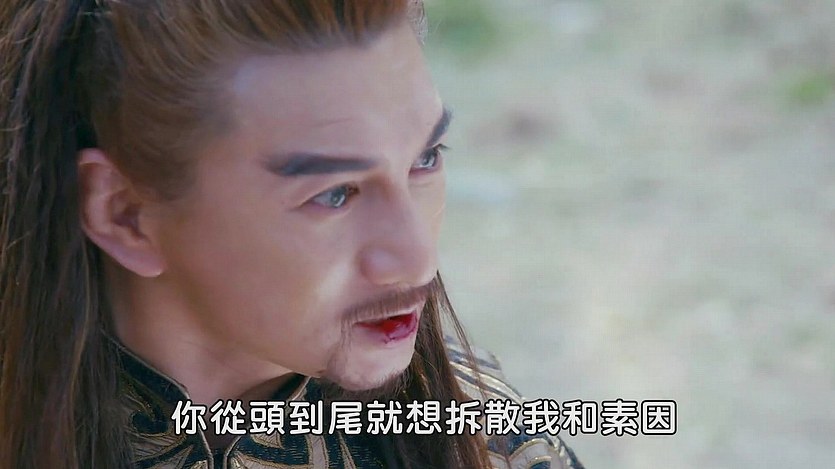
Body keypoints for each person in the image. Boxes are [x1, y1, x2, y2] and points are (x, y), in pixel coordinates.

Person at [0, 1, 585, 468]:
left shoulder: (489, 442)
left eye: (425, 159)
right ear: (125, 214)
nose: (417, 260)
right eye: (334, 193)